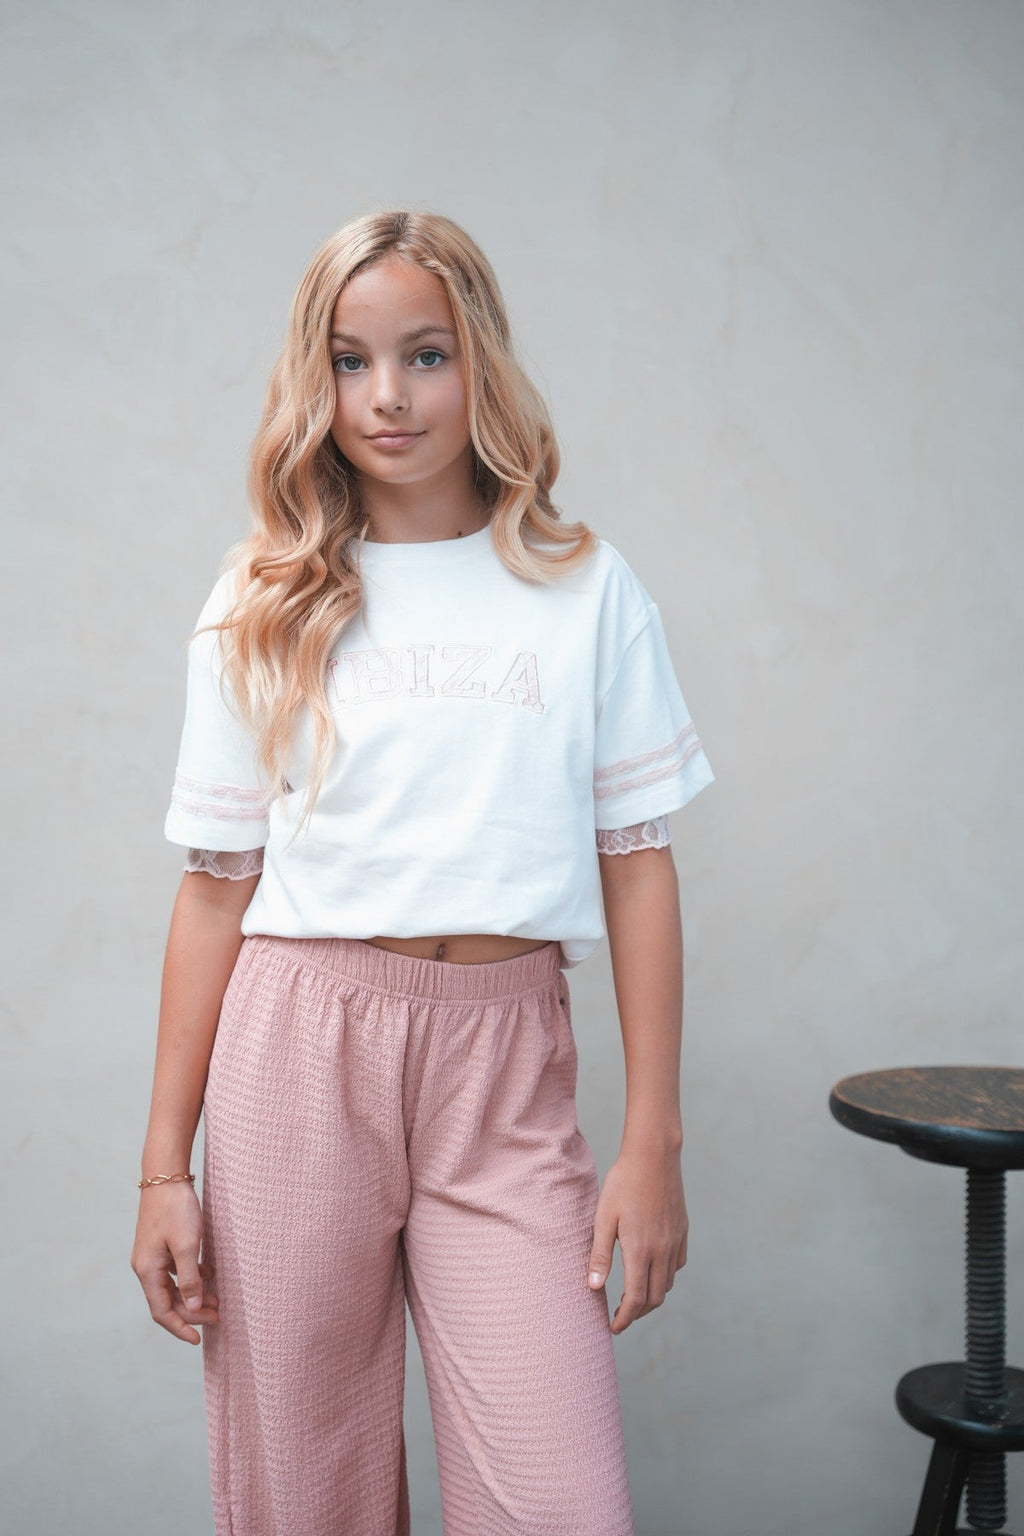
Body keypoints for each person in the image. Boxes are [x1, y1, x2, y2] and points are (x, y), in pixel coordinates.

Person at [130, 209, 714, 1536]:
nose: (387, 395)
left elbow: (638, 866)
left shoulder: (586, 589)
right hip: (299, 1054)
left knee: (561, 1502)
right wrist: (164, 1170)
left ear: (481, 363)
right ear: (316, 381)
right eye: (349, 361)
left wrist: (654, 1144)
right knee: (306, 1499)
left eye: (426, 355)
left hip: (504, 1067)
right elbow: (215, 889)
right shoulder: (261, 597)